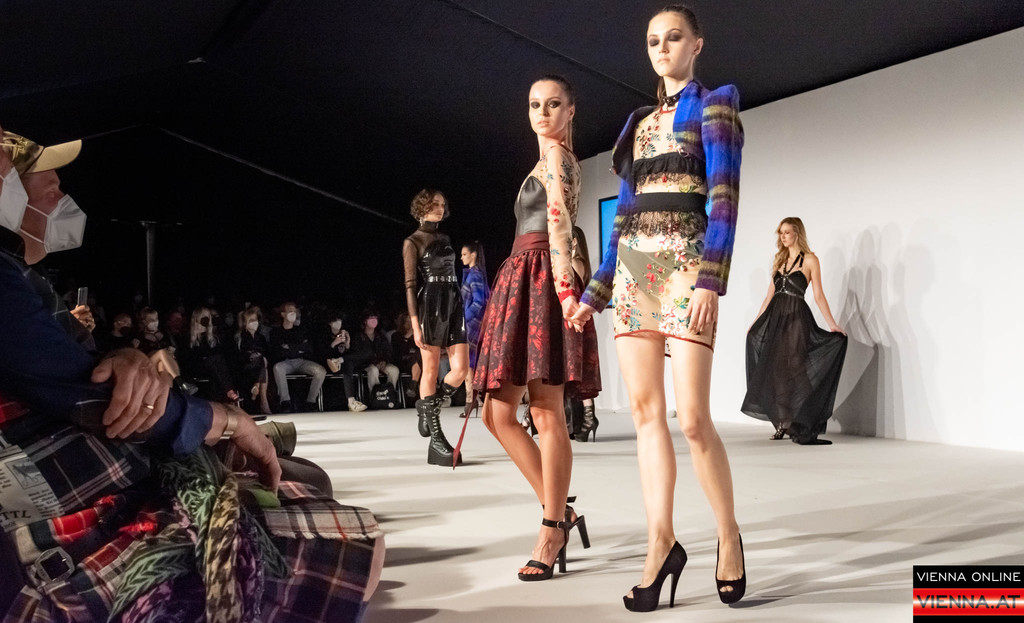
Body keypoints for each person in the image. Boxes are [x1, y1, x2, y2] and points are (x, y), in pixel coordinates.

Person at [0, 127, 383, 620]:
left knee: (309, 492)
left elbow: (74, 372)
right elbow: (86, 394)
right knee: (345, 538)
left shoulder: (24, 278)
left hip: (93, 466)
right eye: (41, 183)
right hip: (73, 488)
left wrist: (127, 363)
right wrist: (219, 420)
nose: (62, 198)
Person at [572, 5, 747, 610]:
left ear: (696, 44)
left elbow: (724, 200)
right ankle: (660, 543)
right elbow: (622, 217)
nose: (662, 48)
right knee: (646, 413)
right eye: (653, 40)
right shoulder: (638, 122)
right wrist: (597, 291)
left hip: (687, 268)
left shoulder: (716, 106)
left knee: (692, 418)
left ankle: (728, 534)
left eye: (674, 37)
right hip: (635, 273)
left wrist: (710, 282)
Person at [474, 75, 601, 580]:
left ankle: (551, 529)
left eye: (553, 104)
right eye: (534, 105)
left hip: (543, 277)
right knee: (496, 413)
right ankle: (561, 511)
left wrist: (566, 293)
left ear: (571, 111)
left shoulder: (557, 159)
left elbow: (560, 227)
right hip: (523, 277)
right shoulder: (549, 159)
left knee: (545, 411)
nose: (542, 113)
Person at [742, 217, 848, 444]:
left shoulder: (810, 260)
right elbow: (768, 297)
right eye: (780, 232)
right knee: (778, 371)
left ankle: (807, 420)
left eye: (787, 232)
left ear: (797, 233)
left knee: (797, 367)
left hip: (797, 319)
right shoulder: (779, 260)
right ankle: (783, 423)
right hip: (776, 318)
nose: (783, 236)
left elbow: (818, 295)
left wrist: (832, 324)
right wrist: (756, 322)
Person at [403, 190, 470, 466]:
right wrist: (415, 324)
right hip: (429, 304)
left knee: (461, 369)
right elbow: (410, 286)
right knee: (430, 369)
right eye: (434, 204)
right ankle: (436, 437)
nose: (440, 208)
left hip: (453, 300)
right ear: (422, 207)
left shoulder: (445, 238)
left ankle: (427, 407)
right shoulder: (412, 242)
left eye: (442, 204)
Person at [269, 301, 326, 413]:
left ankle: (310, 402)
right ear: (283, 314)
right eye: (290, 311)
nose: (293, 314)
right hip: (285, 362)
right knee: (278, 368)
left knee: (320, 371)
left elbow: (307, 347)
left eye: (294, 311)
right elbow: (277, 351)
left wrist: (288, 348)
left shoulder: (301, 330)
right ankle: (285, 402)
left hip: (301, 361)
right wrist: (297, 349)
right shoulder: (276, 332)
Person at [179, 306, 240, 403]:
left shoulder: (213, 338)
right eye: (204, 316)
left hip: (213, 369)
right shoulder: (188, 339)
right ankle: (229, 390)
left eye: (208, 316)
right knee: (214, 360)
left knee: (219, 360)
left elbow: (219, 354)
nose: (207, 319)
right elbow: (188, 359)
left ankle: (229, 389)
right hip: (197, 368)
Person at [341, 310, 396, 412]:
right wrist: (374, 362)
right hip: (366, 364)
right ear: (365, 321)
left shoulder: (380, 336)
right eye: (371, 318)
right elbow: (358, 354)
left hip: (381, 362)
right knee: (373, 370)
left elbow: (388, 351)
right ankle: (376, 398)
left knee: (394, 370)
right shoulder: (358, 336)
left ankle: (390, 396)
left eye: (375, 318)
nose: (374, 320)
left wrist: (384, 360)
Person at [460, 240, 490, 416]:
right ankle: (472, 400)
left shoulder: (475, 274)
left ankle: (471, 400)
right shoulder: (474, 274)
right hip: (473, 322)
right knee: (469, 362)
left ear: (473, 255)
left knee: (467, 362)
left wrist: (464, 319)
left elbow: (479, 302)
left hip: (471, 323)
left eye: (464, 254)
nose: (461, 257)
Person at [234, 305, 273, 415]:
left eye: (255, 320)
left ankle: (257, 387)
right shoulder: (240, 336)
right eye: (251, 320)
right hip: (245, 366)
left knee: (262, 361)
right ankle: (263, 399)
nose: (254, 323)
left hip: (259, 366)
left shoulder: (260, 337)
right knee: (261, 361)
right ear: (245, 322)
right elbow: (239, 355)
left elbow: (267, 352)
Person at [391, 311, 422, 401]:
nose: (411, 323)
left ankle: (413, 385)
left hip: (417, 360)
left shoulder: (417, 336)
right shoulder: (396, 335)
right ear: (403, 323)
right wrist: (407, 336)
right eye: (408, 321)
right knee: (418, 358)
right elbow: (399, 351)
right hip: (403, 361)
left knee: (419, 356)